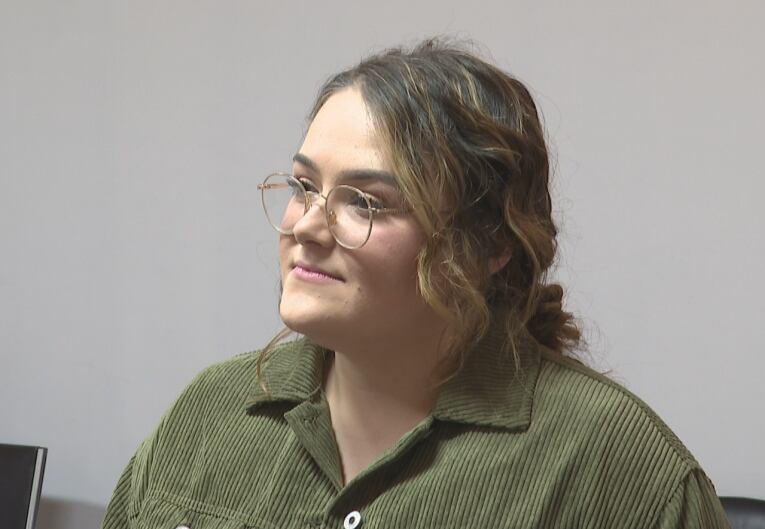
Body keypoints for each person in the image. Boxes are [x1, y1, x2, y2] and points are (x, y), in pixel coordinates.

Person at [102, 38, 731, 529]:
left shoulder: (618, 470)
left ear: (490, 246)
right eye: (303, 186)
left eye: (367, 203)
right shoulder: (210, 413)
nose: (307, 227)